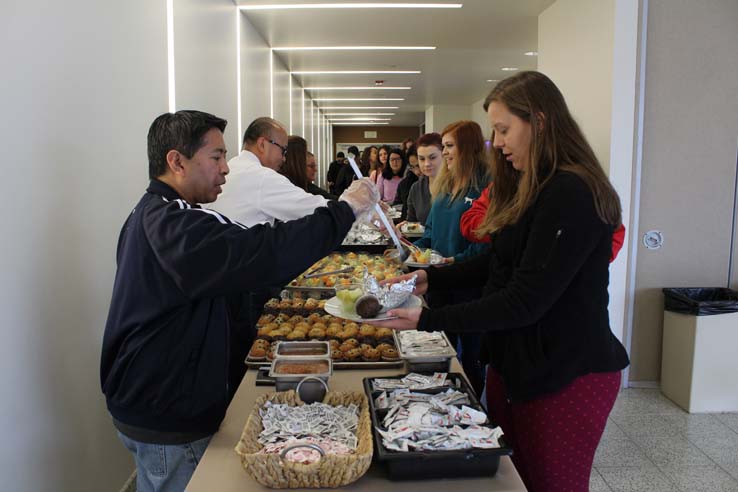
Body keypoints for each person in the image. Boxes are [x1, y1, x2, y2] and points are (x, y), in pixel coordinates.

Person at [374, 71, 630, 492]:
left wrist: (426, 318)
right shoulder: (534, 184)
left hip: (566, 373)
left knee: (550, 483)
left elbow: (524, 300)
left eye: (504, 129)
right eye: (495, 131)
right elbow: (498, 259)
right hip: (517, 364)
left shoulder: (572, 192)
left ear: (541, 122)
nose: (499, 142)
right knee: (514, 482)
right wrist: (427, 278)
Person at [100, 110, 379, 492]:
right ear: (176, 161)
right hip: (167, 409)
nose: (225, 169)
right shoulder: (175, 227)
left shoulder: (155, 213)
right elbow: (264, 250)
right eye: (215, 157)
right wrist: (344, 210)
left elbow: (253, 243)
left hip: (148, 398)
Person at [412, 120, 491, 396]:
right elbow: (431, 234)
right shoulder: (444, 187)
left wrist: (454, 262)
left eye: (448, 146)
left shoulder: (484, 188)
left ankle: (472, 403)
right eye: (443, 146)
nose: (444, 153)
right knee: (442, 347)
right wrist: (410, 251)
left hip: (471, 287)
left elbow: (484, 245)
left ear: (467, 148)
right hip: (440, 283)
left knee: (472, 355)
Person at [460, 182, 628, 261]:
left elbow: (612, 235)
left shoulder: (573, 187)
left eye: (504, 130)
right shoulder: (503, 184)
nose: (496, 142)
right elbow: (469, 222)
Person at [212, 117, 327, 227]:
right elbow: (314, 209)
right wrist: (344, 204)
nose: (284, 159)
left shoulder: (233, 166)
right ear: (262, 144)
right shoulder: (261, 177)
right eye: (283, 150)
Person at [405, 133, 442, 224]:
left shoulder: (458, 185)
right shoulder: (416, 188)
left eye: (432, 157)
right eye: (421, 159)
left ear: (444, 155)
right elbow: (412, 222)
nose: (426, 164)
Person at [393, 147, 420, 220]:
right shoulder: (405, 184)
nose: (417, 172)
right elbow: (398, 204)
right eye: (412, 167)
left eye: (418, 166)